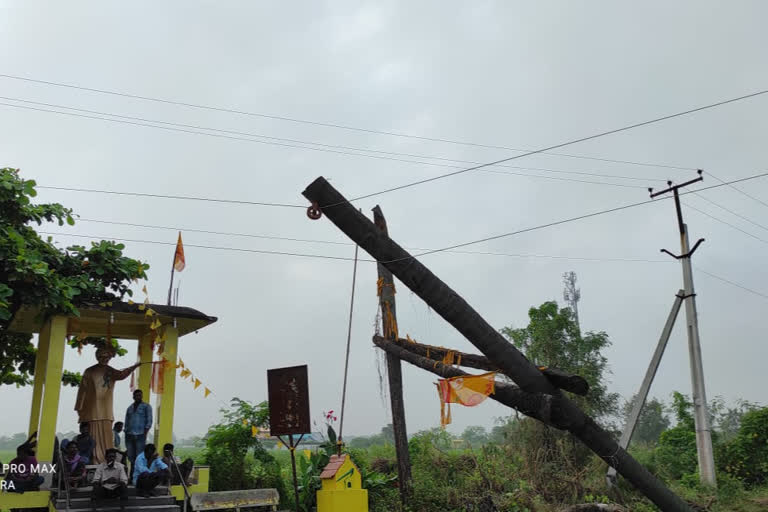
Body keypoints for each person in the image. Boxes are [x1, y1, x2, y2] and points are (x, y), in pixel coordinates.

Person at [75, 345, 140, 464]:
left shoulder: (110, 370)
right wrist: (79, 406)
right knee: (92, 435)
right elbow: (82, 390)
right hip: (92, 408)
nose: (105, 359)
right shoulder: (89, 371)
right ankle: (94, 458)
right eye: (102, 356)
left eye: (107, 357)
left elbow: (121, 374)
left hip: (106, 408)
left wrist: (134, 367)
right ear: (98, 357)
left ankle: (106, 458)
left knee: (106, 436)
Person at [124, 389, 152, 477]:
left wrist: (145, 433)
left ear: (142, 396)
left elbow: (149, 420)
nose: (138, 397)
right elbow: (126, 421)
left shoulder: (146, 406)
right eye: (136, 395)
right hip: (129, 435)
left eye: (140, 395)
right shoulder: (129, 408)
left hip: (140, 435)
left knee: (139, 456)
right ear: (133, 397)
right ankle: (131, 475)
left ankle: (138, 476)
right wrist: (126, 432)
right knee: (131, 456)